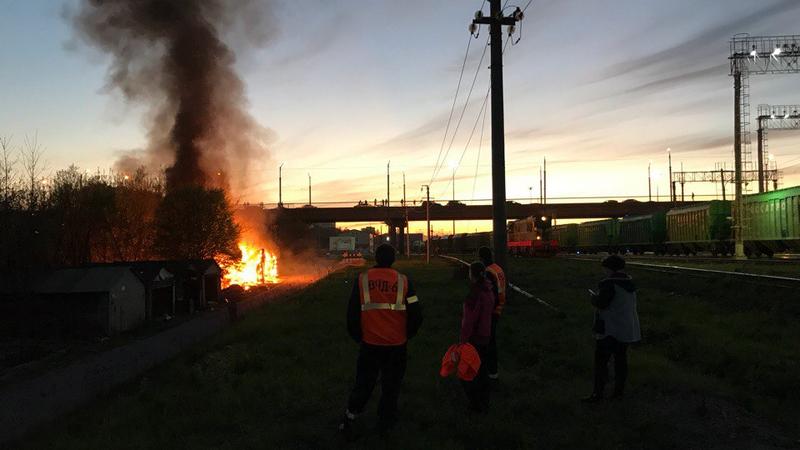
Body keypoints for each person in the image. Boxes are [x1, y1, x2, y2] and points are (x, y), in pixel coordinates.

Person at [339, 244, 423, 438]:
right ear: (393, 259)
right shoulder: (405, 282)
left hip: (369, 344)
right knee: (391, 385)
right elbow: (416, 313)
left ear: (376, 258)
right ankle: (386, 422)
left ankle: (350, 418)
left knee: (363, 383)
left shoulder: (362, 280)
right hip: (396, 346)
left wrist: (358, 337)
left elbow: (352, 314)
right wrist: (407, 335)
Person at [583, 254, 641, 403]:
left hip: (609, 329)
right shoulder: (630, 283)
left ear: (608, 268)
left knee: (601, 362)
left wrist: (593, 298)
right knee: (621, 361)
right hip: (627, 328)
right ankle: (618, 392)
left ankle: (598, 393)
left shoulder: (608, 284)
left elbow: (602, 303)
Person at [460, 261, 495, 413]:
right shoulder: (489, 291)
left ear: (472, 275)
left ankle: (475, 404)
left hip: (474, 338)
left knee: (467, 373)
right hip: (485, 335)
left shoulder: (474, 295)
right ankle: (484, 402)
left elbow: (469, 320)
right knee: (482, 371)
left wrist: (463, 340)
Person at [478, 246, 506, 380]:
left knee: (488, 343)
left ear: (481, 258)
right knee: (491, 341)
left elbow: (490, 295)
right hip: (499, 308)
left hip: (492, 312)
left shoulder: (488, 272)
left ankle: (491, 373)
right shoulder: (498, 268)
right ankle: (491, 372)